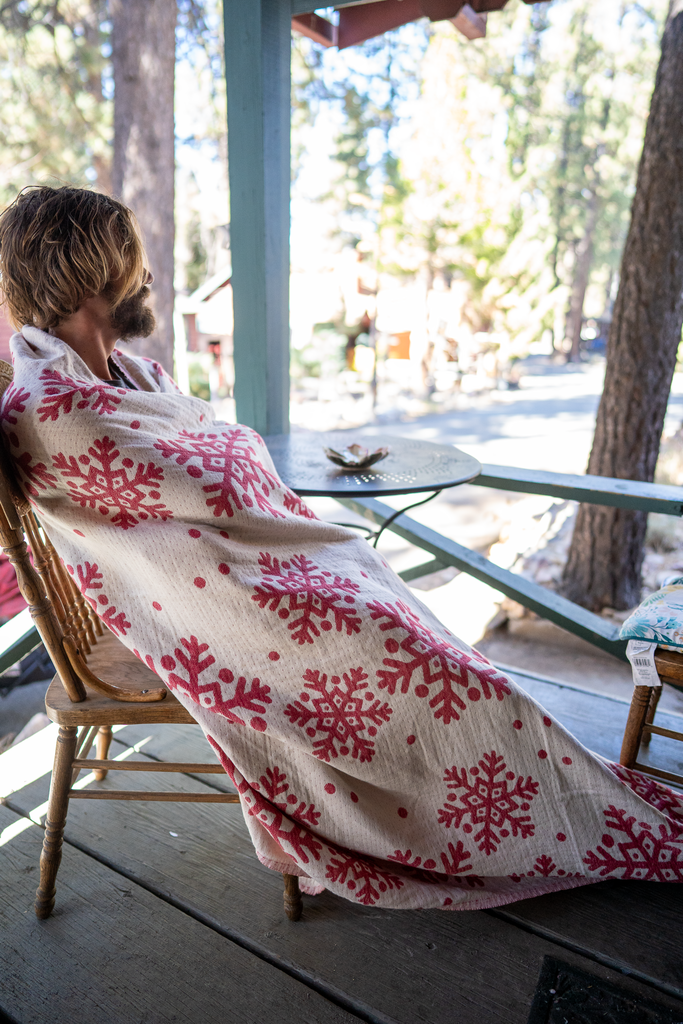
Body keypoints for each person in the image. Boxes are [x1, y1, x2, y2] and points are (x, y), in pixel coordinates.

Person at [1, 185, 682, 912]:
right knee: (431, 671)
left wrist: (241, 462)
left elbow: (218, 467)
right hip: (218, 611)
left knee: (430, 639)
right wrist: (237, 454)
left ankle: (565, 798)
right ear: (92, 270)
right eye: (130, 259)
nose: (144, 274)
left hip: (254, 570)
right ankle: (565, 821)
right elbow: (218, 477)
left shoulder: (123, 374)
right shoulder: (55, 408)